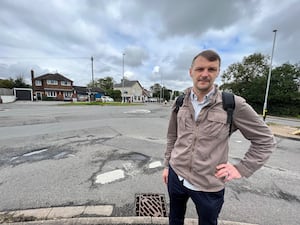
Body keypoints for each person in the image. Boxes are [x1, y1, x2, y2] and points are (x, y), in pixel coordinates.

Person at [162, 50, 276, 225]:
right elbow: (173, 136)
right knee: (175, 219)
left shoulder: (232, 104)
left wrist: (243, 168)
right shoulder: (180, 102)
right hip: (176, 175)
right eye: (200, 69)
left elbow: (265, 139)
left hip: (209, 185)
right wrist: (167, 166)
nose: (205, 74)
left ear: (218, 72)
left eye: (211, 69)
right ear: (190, 71)